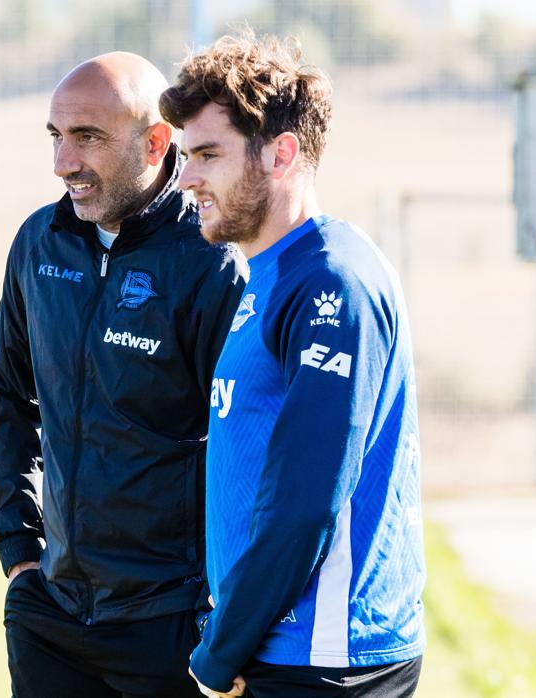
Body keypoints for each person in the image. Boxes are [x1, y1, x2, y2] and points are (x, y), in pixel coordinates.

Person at [159, 33, 425, 698]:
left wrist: (219, 655)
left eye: (208, 155)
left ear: (281, 154)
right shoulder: (273, 271)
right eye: (187, 156)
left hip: (323, 658)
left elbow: (305, 499)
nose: (187, 177)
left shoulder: (330, 281)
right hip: (277, 647)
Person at [0, 51, 245, 697]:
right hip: (52, 612)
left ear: (157, 142)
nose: (63, 162)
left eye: (87, 138)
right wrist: (18, 548)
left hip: (170, 624)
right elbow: (10, 395)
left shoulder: (211, 261)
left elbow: (249, 447)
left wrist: (226, 616)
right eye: (56, 137)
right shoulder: (39, 243)